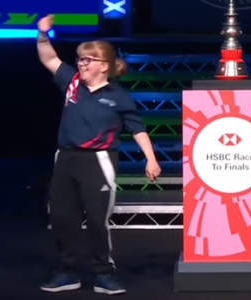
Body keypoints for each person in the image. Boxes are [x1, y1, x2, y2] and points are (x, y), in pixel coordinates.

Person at [35, 15, 161, 294]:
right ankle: (68, 272)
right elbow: (49, 59)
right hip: (66, 158)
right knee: (61, 218)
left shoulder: (118, 96)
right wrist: (43, 34)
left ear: (103, 66)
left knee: (96, 219)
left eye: (86, 60)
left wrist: (151, 159)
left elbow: (137, 129)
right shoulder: (71, 83)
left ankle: (104, 273)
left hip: (99, 161)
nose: (80, 63)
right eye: (79, 59)